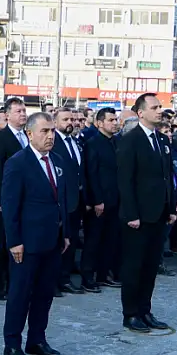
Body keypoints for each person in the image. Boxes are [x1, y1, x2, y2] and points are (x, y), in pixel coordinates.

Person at [0, 112, 69, 355]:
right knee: (20, 294)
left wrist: (66, 233)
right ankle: (12, 344)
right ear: (29, 133)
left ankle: (37, 339)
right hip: (26, 243)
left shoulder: (57, 161)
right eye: (44, 131)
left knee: (44, 293)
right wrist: (14, 241)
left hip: (52, 240)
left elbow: (60, 200)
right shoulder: (18, 163)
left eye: (52, 131)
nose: (50, 136)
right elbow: (9, 205)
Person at [117, 93, 177, 333]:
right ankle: (130, 313)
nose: (159, 111)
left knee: (151, 266)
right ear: (140, 112)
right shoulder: (130, 140)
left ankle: (145, 310)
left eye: (160, 107)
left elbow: (167, 177)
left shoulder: (162, 140)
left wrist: (171, 207)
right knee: (134, 266)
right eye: (154, 107)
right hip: (138, 216)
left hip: (159, 213)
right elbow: (125, 180)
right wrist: (131, 213)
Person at [0, 98, 29, 300]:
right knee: (0, 245)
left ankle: (15, 284)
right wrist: (0, 201)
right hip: (6, 201)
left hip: (25, 200)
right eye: (18, 111)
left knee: (19, 243)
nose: (23, 114)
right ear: (7, 114)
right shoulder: (0, 138)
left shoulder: (28, 136)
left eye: (24, 110)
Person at [81, 107, 122, 292]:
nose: (115, 123)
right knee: (93, 241)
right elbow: (91, 173)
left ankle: (104, 275)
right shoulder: (93, 143)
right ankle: (88, 278)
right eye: (111, 120)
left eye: (116, 120)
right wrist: (97, 200)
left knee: (111, 240)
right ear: (99, 123)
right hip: (100, 201)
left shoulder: (116, 142)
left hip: (116, 199)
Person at [50, 107, 85, 294]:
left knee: (70, 241)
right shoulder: (53, 142)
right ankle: (53, 281)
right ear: (55, 123)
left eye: (72, 119)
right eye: (65, 119)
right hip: (60, 200)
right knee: (58, 243)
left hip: (76, 200)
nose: (70, 122)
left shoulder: (76, 142)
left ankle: (65, 278)